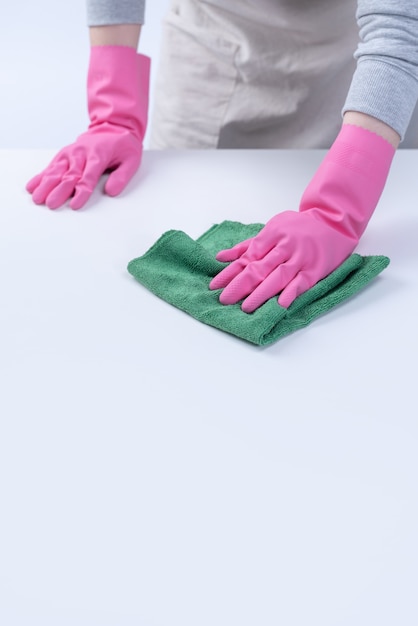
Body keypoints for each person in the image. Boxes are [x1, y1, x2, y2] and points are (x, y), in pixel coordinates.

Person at [26, 1, 418, 311]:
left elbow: (397, 27)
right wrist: (113, 113)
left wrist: (339, 207)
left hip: (363, 72)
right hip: (213, 53)